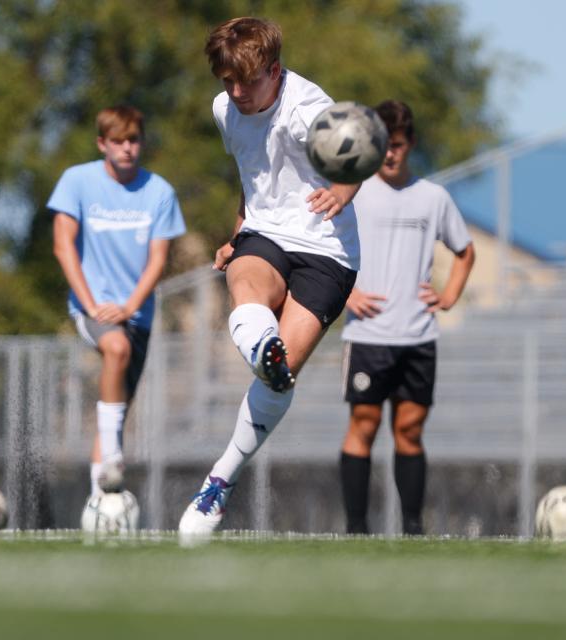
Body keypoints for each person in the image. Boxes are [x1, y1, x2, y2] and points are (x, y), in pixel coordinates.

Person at [178, 17, 362, 536]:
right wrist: (237, 233)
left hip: (328, 250)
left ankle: (221, 477)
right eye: (226, 82)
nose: (235, 92)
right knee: (247, 281)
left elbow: (362, 151)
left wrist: (343, 193)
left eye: (247, 81)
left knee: (280, 376)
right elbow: (252, 173)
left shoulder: (309, 110)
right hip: (265, 234)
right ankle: (260, 344)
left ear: (275, 71)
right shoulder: (224, 109)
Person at [339, 100, 475, 535]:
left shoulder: (433, 197)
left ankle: (413, 528)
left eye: (396, 145)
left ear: (410, 144)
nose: (390, 153)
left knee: (410, 429)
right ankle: (357, 529)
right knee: (364, 423)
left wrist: (448, 295)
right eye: (382, 145)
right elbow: (322, 249)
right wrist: (346, 294)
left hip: (417, 334)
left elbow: (465, 251)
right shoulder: (352, 193)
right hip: (368, 334)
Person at [49, 105, 186, 498]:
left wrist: (129, 306)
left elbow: (159, 259)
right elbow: (63, 247)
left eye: (133, 140)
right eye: (117, 141)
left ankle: (99, 505)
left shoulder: (159, 191)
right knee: (116, 345)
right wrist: (92, 306)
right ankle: (111, 458)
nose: (127, 148)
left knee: (117, 409)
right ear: (102, 144)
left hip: (136, 312)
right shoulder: (76, 182)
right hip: (92, 308)